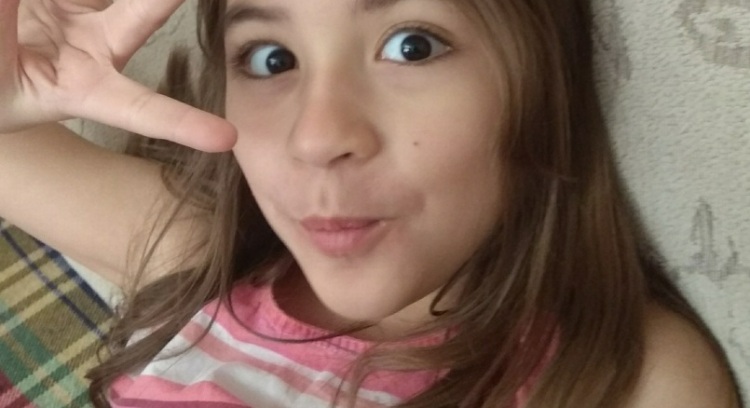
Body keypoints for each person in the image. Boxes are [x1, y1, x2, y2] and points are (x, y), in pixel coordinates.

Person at [0, 0, 743, 407]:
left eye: (412, 45)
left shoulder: (624, 377)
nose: (318, 137)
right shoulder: (200, 255)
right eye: (270, 58)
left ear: (543, 87)